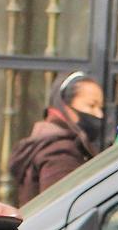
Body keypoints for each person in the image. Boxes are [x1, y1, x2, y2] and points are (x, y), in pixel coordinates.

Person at [7, 69, 104, 201]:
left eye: (100, 108)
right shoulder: (59, 151)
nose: (99, 114)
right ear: (65, 105)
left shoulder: (48, 140)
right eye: (91, 105)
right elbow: (64, 204)